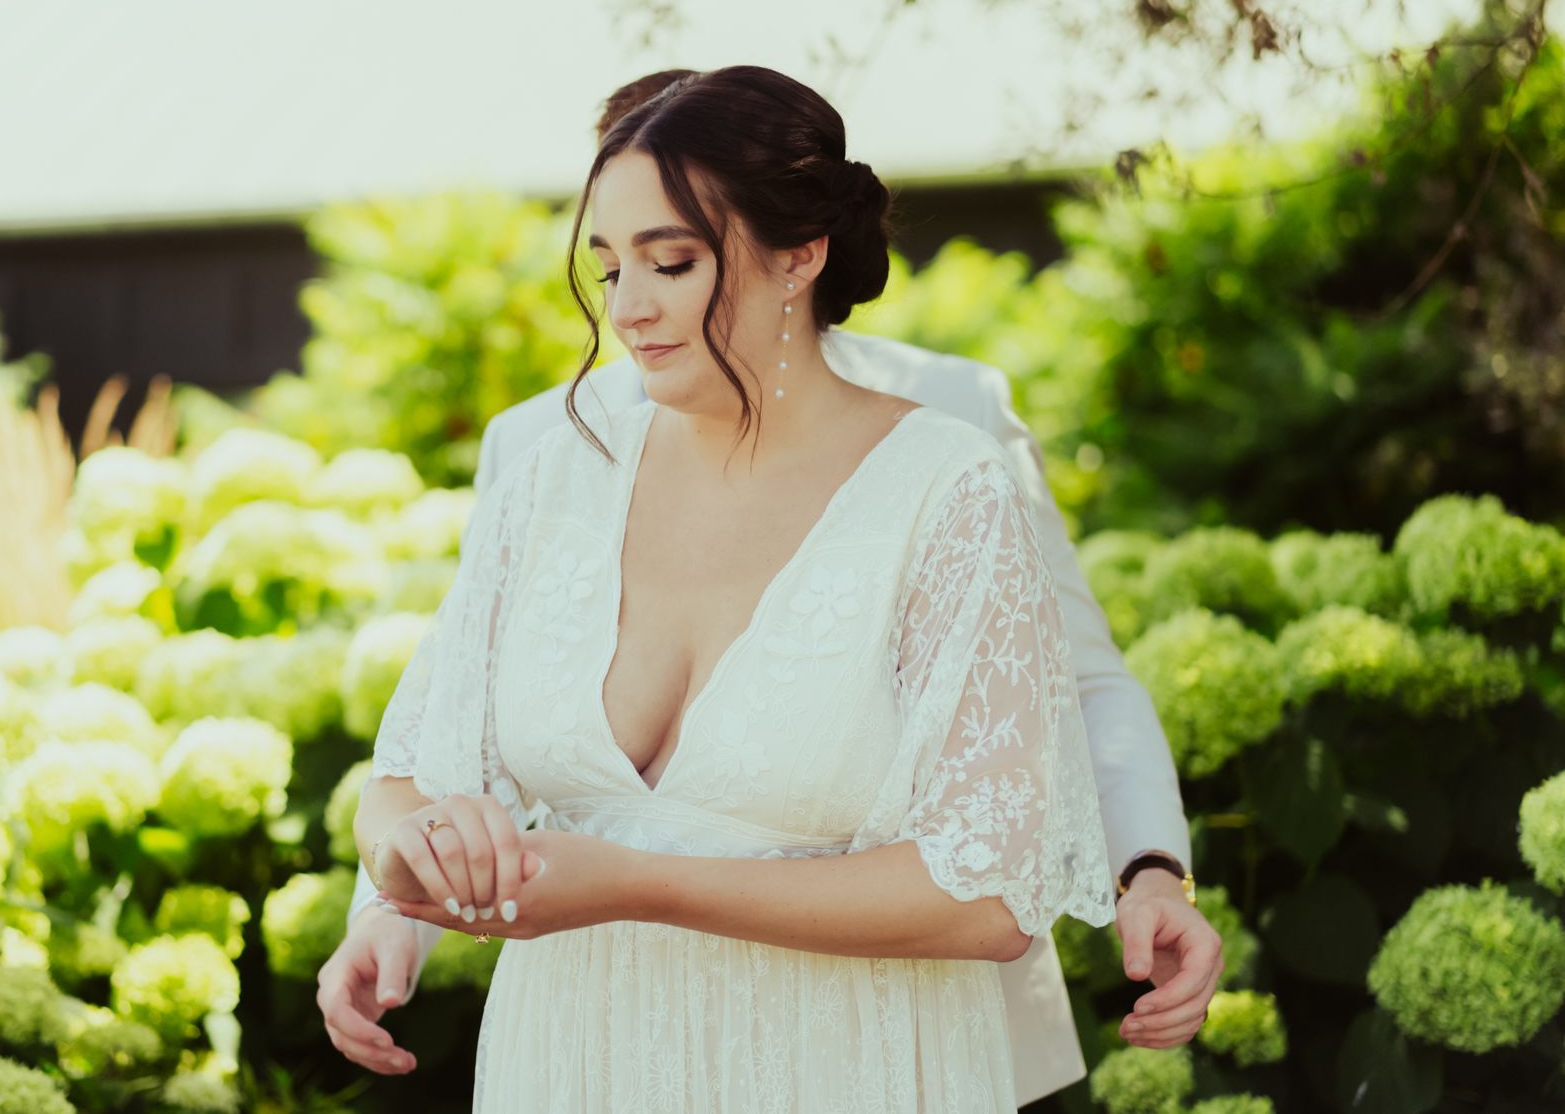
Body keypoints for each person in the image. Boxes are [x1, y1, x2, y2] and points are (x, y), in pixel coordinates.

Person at [325, 66, 1221, 1111]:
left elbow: (1006, 850)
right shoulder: (552, 469)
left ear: (800, 252)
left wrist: (1150, 869)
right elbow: (412, 772)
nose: (629, 307)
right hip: (570, 1063)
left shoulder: (946, 471)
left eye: (670, 261)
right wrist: (407, 871)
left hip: (845, 1064)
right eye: (609, 267)